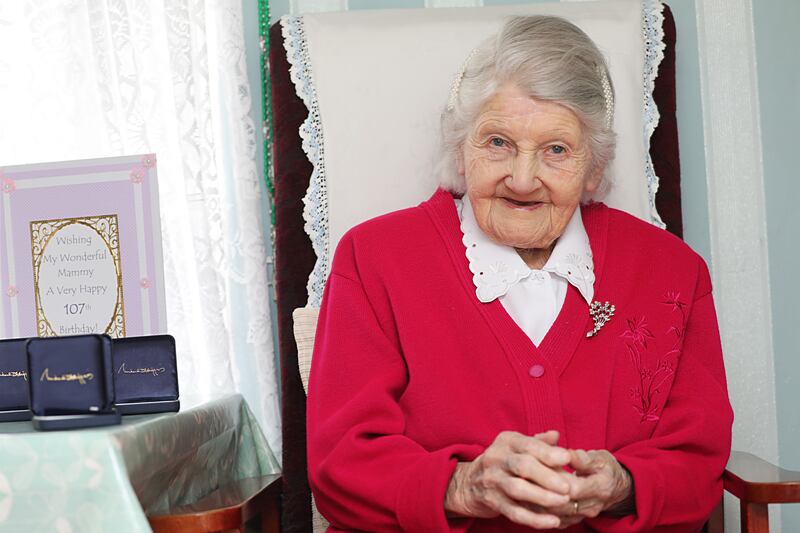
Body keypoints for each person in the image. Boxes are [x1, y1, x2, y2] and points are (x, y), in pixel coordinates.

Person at [306, 15, 732, 532]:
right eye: (498, 142)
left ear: (595, 167)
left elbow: (698, 461)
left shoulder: (672, 271)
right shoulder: (374, 259)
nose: (524, 179)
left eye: (556, 150)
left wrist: (623, 485)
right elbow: (340, 462)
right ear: (460, 150)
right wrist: (463, 487)